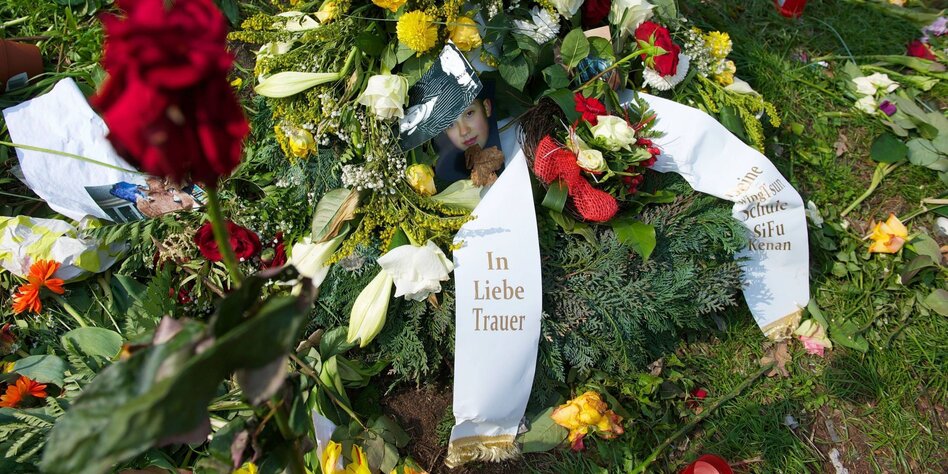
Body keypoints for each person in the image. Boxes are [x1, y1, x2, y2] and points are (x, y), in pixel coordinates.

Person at [434, 89, 504, 186]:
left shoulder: (517, 139)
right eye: (450, 124)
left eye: (469, 113)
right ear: (444, 130)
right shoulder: (446, 175)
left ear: (486, 107)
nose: (464, 131)